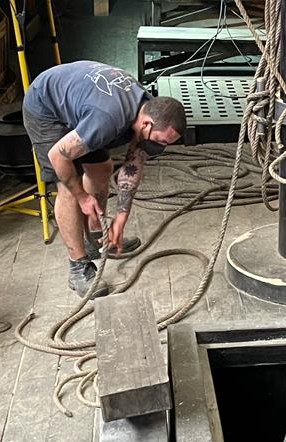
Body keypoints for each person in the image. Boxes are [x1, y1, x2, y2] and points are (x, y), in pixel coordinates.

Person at [22, 60, 186, 297]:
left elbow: (133, 165)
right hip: (46, 108)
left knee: (101, 169)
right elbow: (57, 156)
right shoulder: (107, 119)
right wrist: (81, 196)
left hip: (83, 104)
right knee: (68, 187)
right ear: (147, 123)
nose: (160, 146)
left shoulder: (149, 108)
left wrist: (120, 218)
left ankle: (94, 238)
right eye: (161, 141)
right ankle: (78, 267)